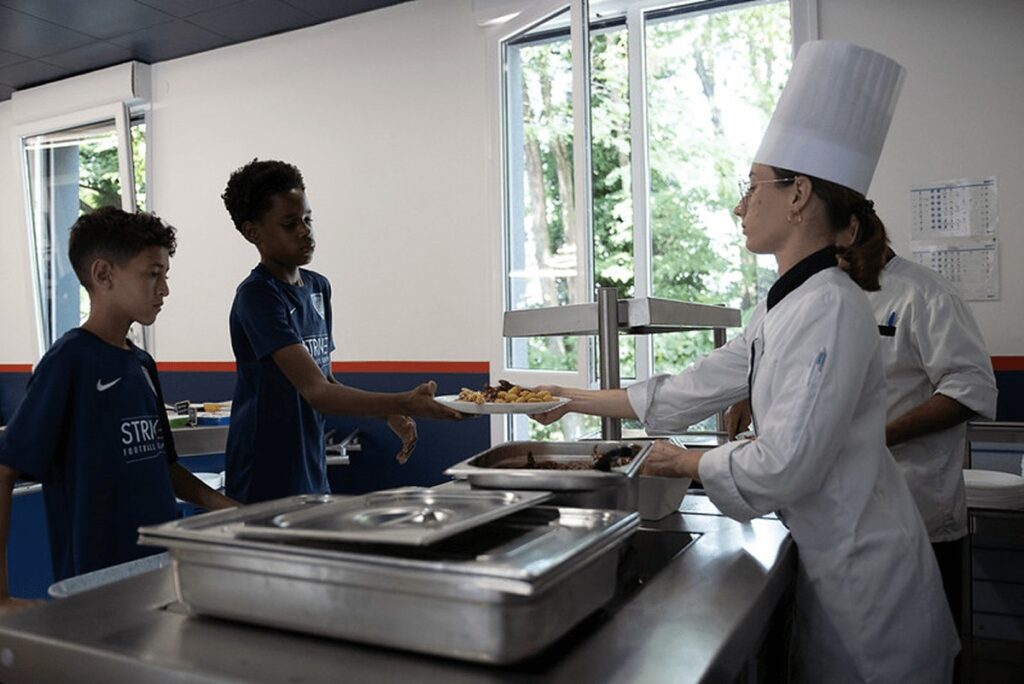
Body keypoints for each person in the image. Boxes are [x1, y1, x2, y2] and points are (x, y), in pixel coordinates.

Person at [532, 41, 958, 681]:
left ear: (798, 195)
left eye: (751, 187)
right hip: (836, 562)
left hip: (869, 588)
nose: (739, 205)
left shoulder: (832, 307)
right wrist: (567, 400)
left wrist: (682, 460)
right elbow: (691, 387)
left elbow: (784, 463)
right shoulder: (789, 302)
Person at [726, 243, 998, 632]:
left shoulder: (925, 292)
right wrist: (744, 391)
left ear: (852, 226)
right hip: (822, 516)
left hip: (911, 512)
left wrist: (870, 437)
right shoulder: (801, 294)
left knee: (917, 652)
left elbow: (969, 390)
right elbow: (771, 358)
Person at [0, 207, 238, 614]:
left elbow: (164, 467)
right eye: (152, 274)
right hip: (95, 584)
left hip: (159, 571)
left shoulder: (141, 364)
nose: (164, 289)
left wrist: (231, 509)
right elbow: (4, 469)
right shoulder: (68, 362)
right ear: (104, 275)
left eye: (165, 276)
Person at [221, 159, 462, 504]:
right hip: (267, 476)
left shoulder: (318, 288)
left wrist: (387, 412)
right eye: (290, 224)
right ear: (252, 232)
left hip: (311, 467)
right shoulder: (258, 296)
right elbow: (315, 392)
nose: (304, 231)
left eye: (307, 219)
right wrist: (405, 401)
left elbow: (325, 379)